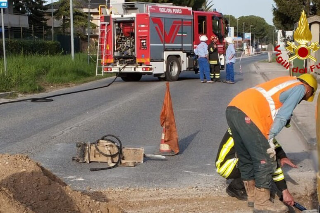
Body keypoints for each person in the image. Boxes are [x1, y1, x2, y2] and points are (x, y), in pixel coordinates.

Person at [225, 73, 317, 212]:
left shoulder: (286, 81)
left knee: (246, 157)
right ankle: (262, 203)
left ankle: (252, 198)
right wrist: (271, 136)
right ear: (309, 89)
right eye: (304, 98)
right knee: (265, 160)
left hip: (233, 108)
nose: (302, 99)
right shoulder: (300, 88)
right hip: (249, 112)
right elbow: (283, 115)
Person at [215, 128, 297, 208]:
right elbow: (270, 161)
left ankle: (246, 184)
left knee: (261, 161)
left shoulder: (252, 123)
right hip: (227, 165)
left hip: (230, 161)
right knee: (263, 163)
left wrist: (282, 156)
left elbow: (271, 141)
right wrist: (284, 191)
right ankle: (236, 187)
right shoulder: (252, 130)